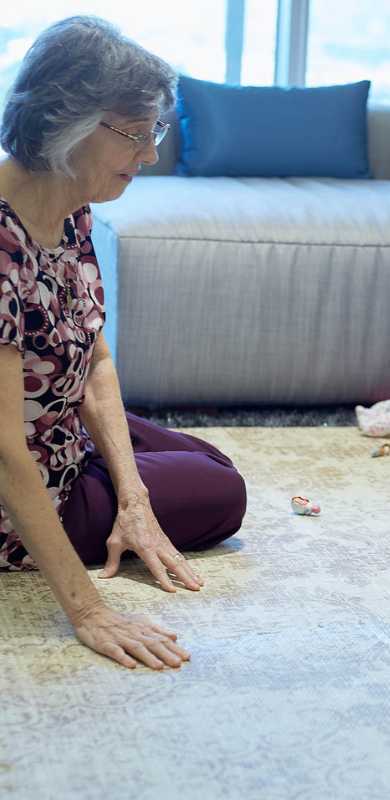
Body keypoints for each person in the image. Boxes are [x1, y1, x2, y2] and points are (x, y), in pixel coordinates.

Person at [0, 17, 247, 670]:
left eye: (153, 131)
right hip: (17, 486)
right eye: (137, 135)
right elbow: (2, 453)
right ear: (67, 124)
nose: (151, 154)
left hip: (56, 433)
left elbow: (94, 354)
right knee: (224, 495)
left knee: (206, 469)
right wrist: (88, 610)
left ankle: (118, 488)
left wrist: (135, 503)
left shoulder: (70, 205)